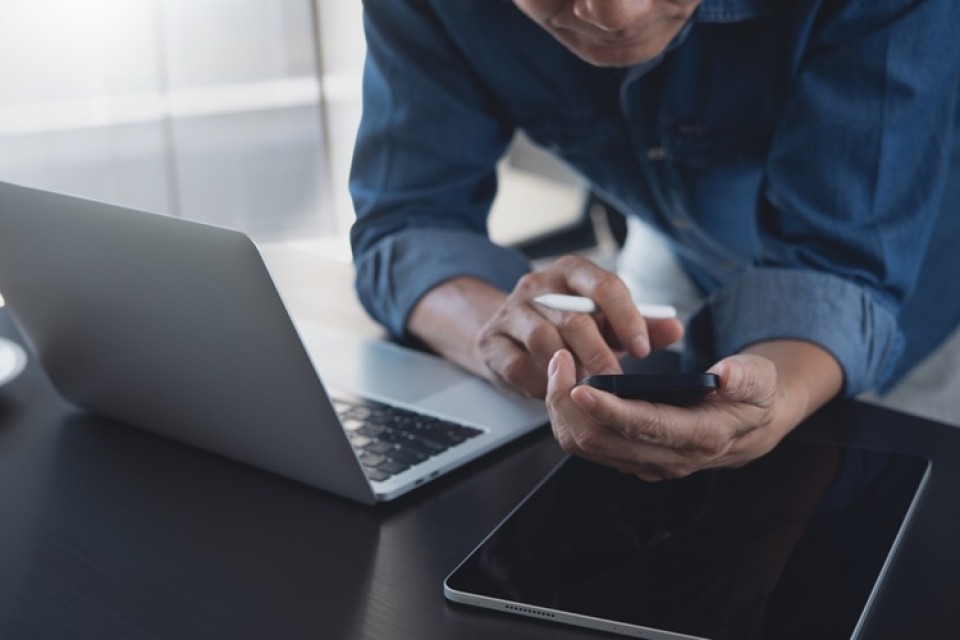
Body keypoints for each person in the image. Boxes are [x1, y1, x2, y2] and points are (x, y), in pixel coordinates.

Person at [349, 0, 960, 480]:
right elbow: (409, 218)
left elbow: (843, 261)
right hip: (676, 257)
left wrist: (775, 402)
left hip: (934, 296)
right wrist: (501, 333)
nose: (617, 16)